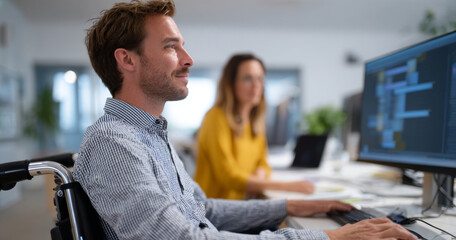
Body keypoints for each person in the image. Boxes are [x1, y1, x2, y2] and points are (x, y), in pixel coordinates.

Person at [72, 0, 418, 239]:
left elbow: (203, 209)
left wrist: (296, 205)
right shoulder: (114, 142)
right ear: (127, 61)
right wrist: (325, 236)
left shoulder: (148, 133)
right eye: (171, 47)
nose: (188, 59)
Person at [194, 53, 315, 200]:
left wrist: (259, 176)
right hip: (215, 211)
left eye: (260, 78)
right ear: (231, 84)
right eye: (247, 78)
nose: (256, 85)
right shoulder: (215, 118)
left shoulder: (254, 121)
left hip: (242, 206)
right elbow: (228, 176)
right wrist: (288, 186)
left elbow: (263, 164)